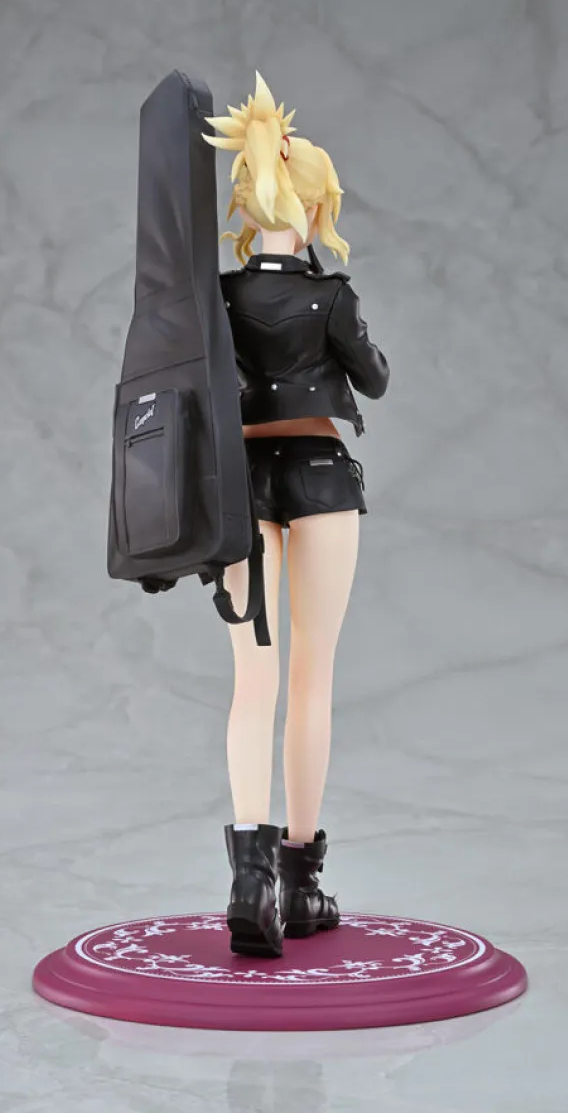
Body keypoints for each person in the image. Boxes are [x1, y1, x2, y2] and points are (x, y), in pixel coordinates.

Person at [203, 73, 390, 958]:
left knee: (254, 683)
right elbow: (375, 378)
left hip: (241, 484)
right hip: (318, 479)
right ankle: (301, 881)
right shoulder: (332, 295)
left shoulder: (218, 296)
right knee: (312, 678)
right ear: (315, 210)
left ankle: (250, 882)